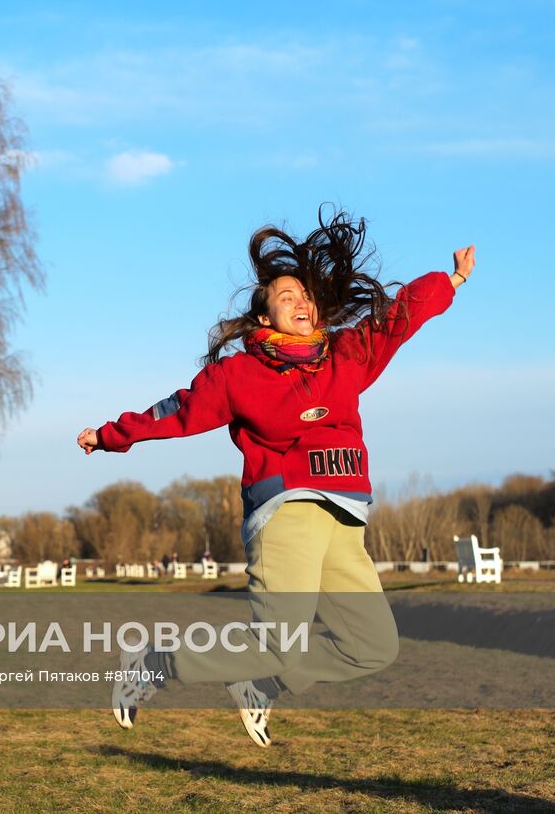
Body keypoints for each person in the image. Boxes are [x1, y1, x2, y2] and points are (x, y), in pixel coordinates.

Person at [77, 210, 474, 747]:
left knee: (373, 646)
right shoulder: (238, 374)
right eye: (286, 296)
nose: (301, 303)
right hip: (286, 511)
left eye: (305, 296)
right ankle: (153, 662)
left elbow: (398, 317)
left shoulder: (347, 355)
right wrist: (110, 435)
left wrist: (448, 281)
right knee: (279, 639)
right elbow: (177, 411)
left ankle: (261, 683)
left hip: (344, 518)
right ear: (263, 317)